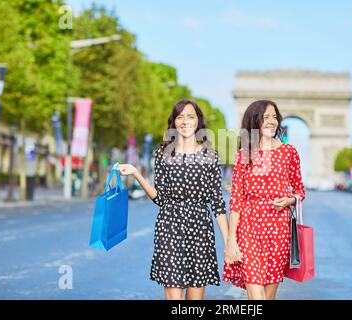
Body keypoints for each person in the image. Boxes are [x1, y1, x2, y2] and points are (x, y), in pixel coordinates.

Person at [118, 99, 229, 300]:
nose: (185, 121)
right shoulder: (163, 154)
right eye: (180, 117)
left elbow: (218, 203)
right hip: (169, 226)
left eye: (190, 116)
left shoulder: (211, 157)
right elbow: (160, 198)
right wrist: (136, 173)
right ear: (174, 122)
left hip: (200, 230)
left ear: (198, 121)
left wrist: (229, 242)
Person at [223, 99, 306, 300]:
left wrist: (289, 201)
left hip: (278, 229)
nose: (272, 121)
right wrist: (231, 240)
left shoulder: (289, 152)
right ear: (255, 121)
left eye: (274, 117)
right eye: (266, 117)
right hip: (248, 228)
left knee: (267, 297)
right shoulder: (244, 154)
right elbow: (236, 199)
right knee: (256, 294)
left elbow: (300, 191)